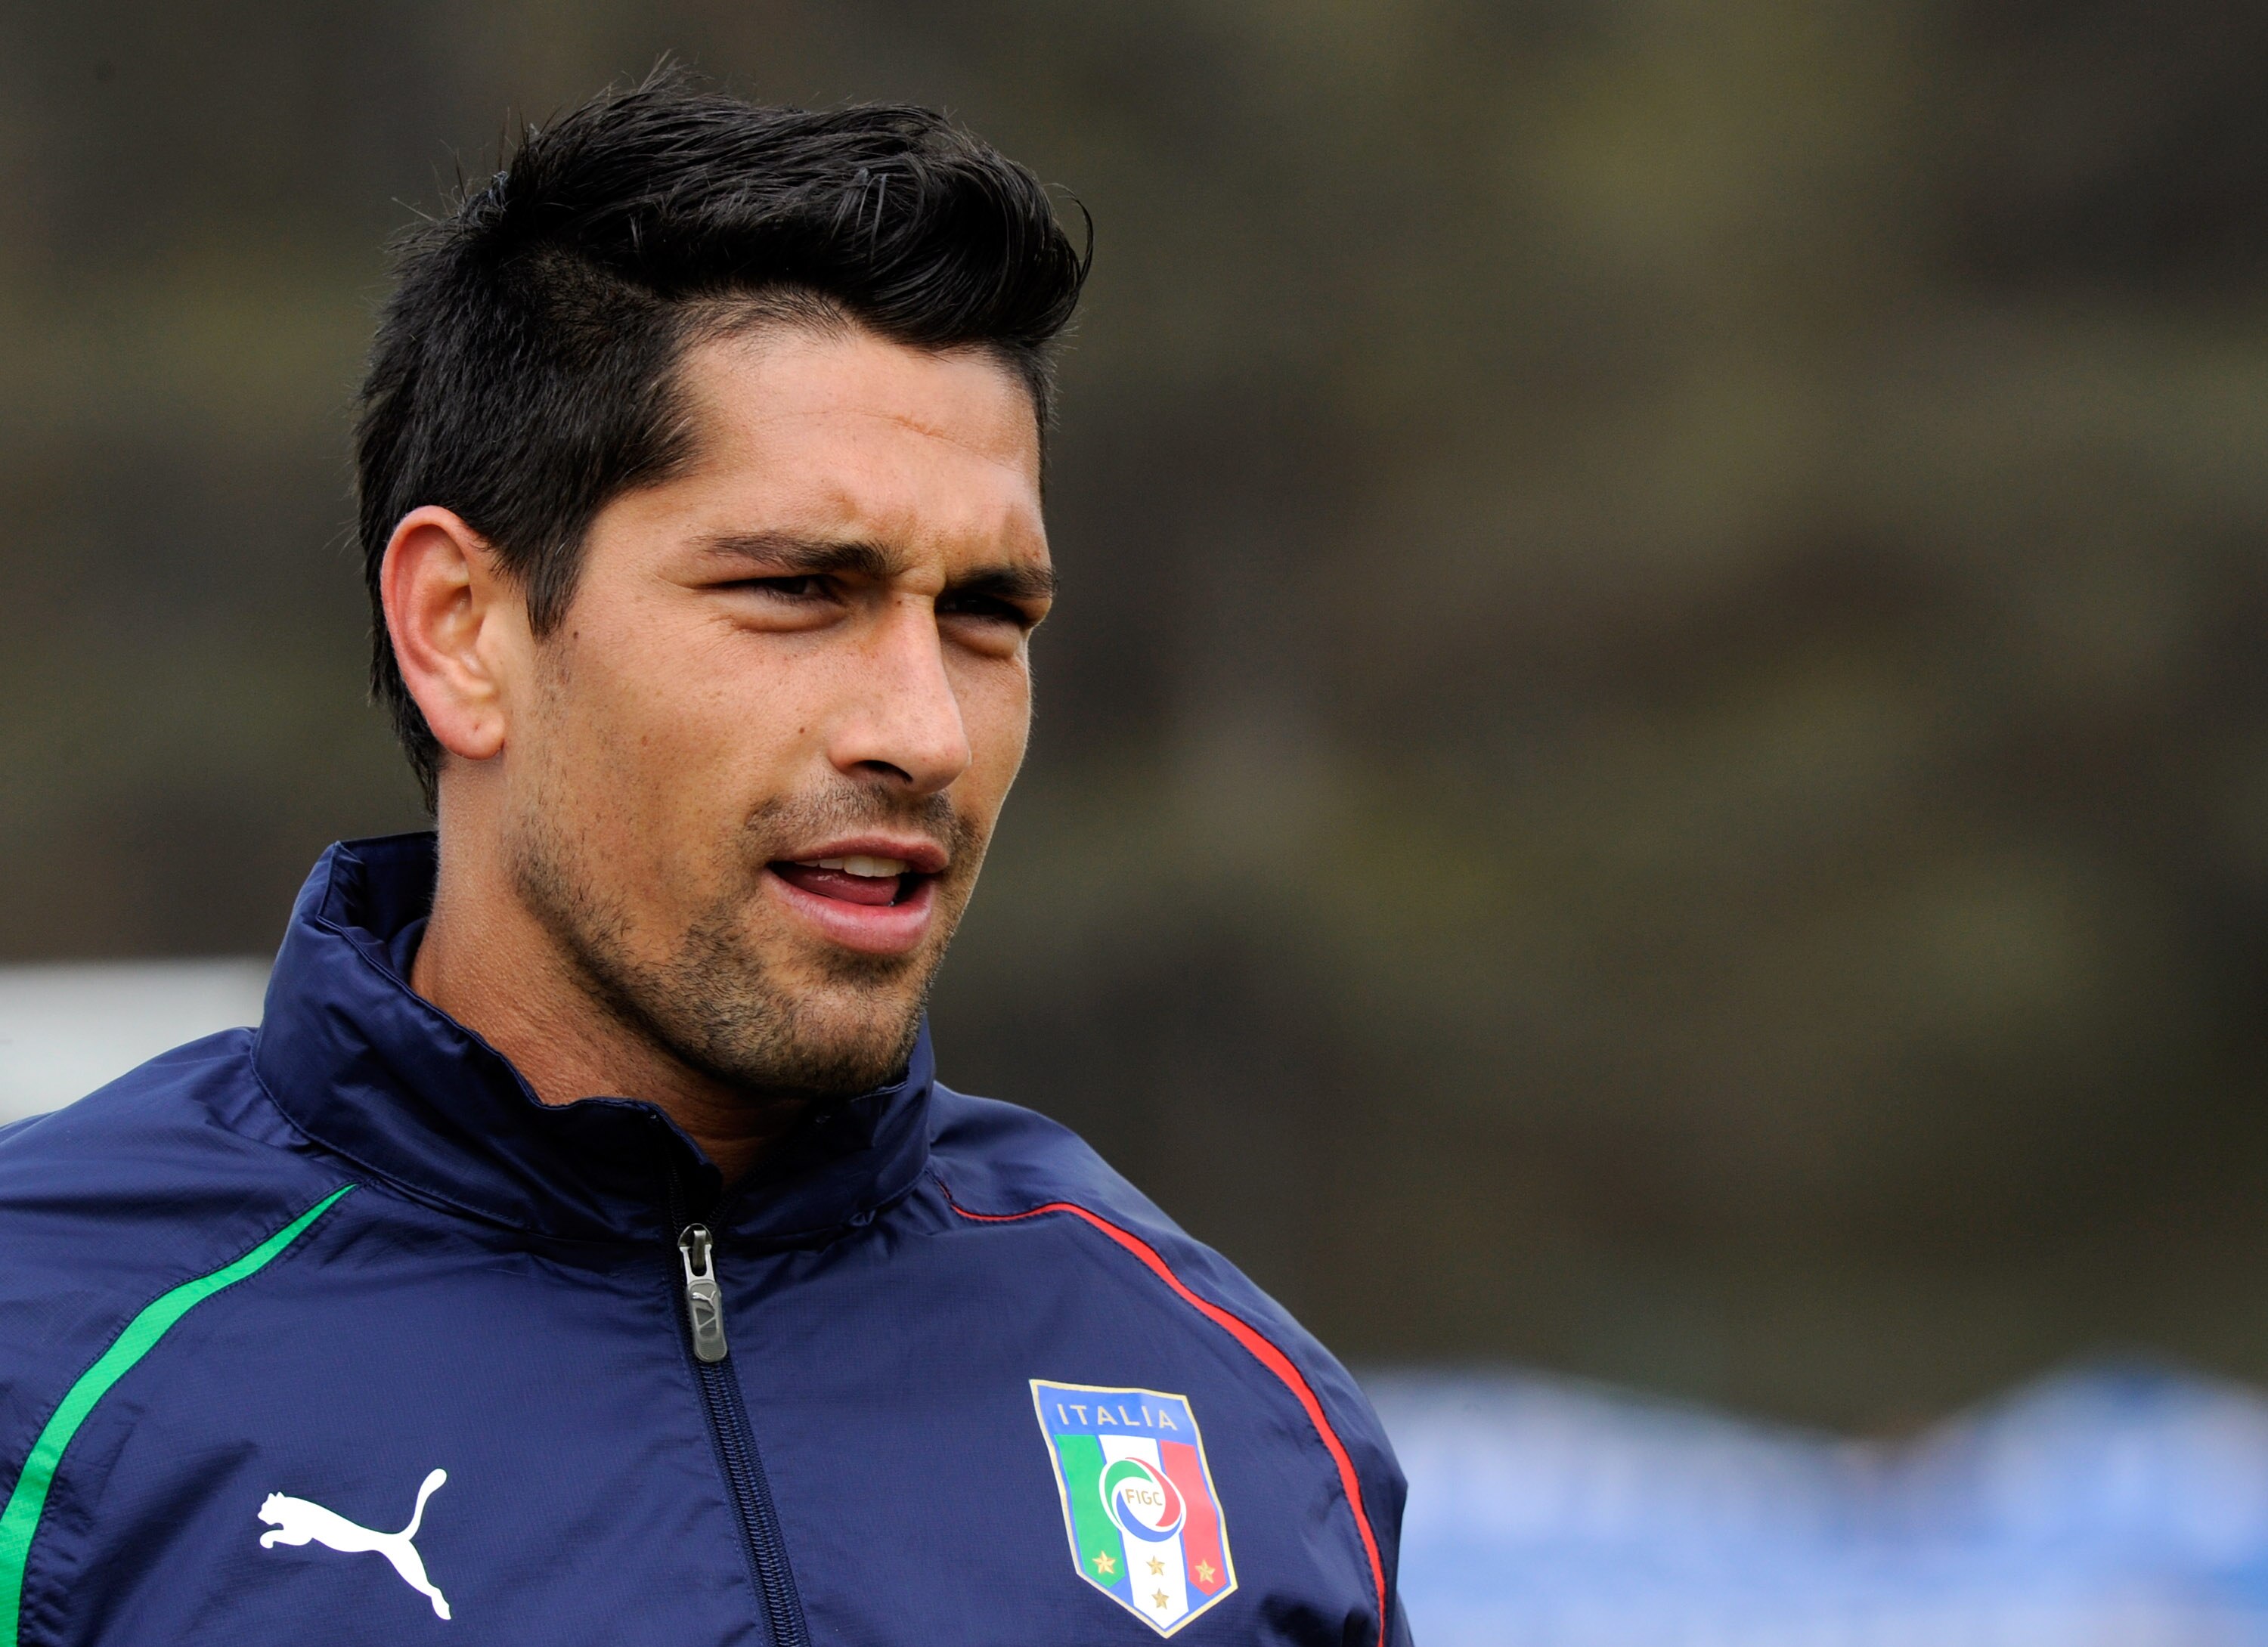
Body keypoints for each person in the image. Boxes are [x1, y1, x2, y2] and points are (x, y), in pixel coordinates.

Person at [0, 72, 1409, 1645]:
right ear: (463, 632)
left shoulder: (1235, 1394)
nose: (925, 730)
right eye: (801, 588)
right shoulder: (47, 1366)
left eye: (986, 615)